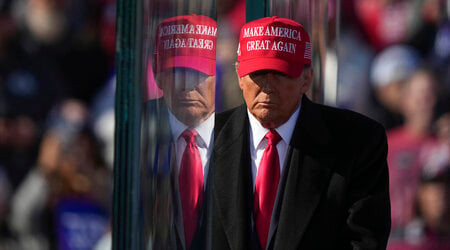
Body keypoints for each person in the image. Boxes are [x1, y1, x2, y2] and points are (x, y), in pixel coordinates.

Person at [210, 16, 391, 249]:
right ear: (239, 76)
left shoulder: (358, 142)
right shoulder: (205, 139)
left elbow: (364, 241)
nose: (267, 86)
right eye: (257, 73)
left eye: (280, 74)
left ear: (306, 79)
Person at [141, 14, 216, 250]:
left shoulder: (244, 133)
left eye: (199, 73)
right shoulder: (136, 131)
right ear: (157, 74)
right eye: (177, 72)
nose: (187, 85)